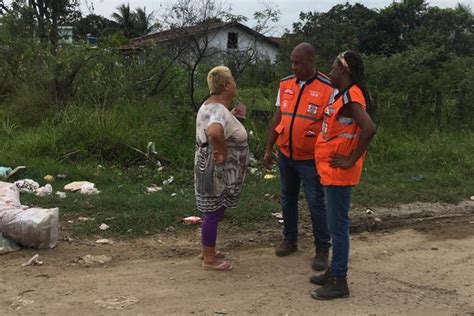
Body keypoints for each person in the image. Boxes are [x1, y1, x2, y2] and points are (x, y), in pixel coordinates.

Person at [310, 50, 376, 300]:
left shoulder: (351, 97)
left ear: (344, 70)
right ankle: (333, 272)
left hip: (340, 173)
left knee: (337, 227)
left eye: (335, 66)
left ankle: (339, 280)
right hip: (331, 171)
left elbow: (369, 129)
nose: (331, 70)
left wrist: (350, 159)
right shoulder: (342, 95)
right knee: (334, 224)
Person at [263, 42, 333, 271]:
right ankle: (290, 240)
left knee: (316, 203)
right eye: (291, 62)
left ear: (311, 62)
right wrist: (268, 148)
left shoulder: (327, 88)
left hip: (311, 158)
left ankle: (322, 249)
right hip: (286, 154)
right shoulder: (285, 84)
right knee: (287, 198)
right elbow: (277, 117)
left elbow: (332, 126)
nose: (293, 67)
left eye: (298, 62)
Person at [195, 66, 249, 271]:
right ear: (227, 85)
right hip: (218, 171)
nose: (235, 84)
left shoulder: (211, 106)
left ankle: (207, 249)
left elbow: (218, 124)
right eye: (233, 81)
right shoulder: (218, 110)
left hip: (206, 166)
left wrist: (233, 116)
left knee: (211, 209)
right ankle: (209, 258)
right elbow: (215, 132)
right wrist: (223, 152)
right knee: (214, 210)